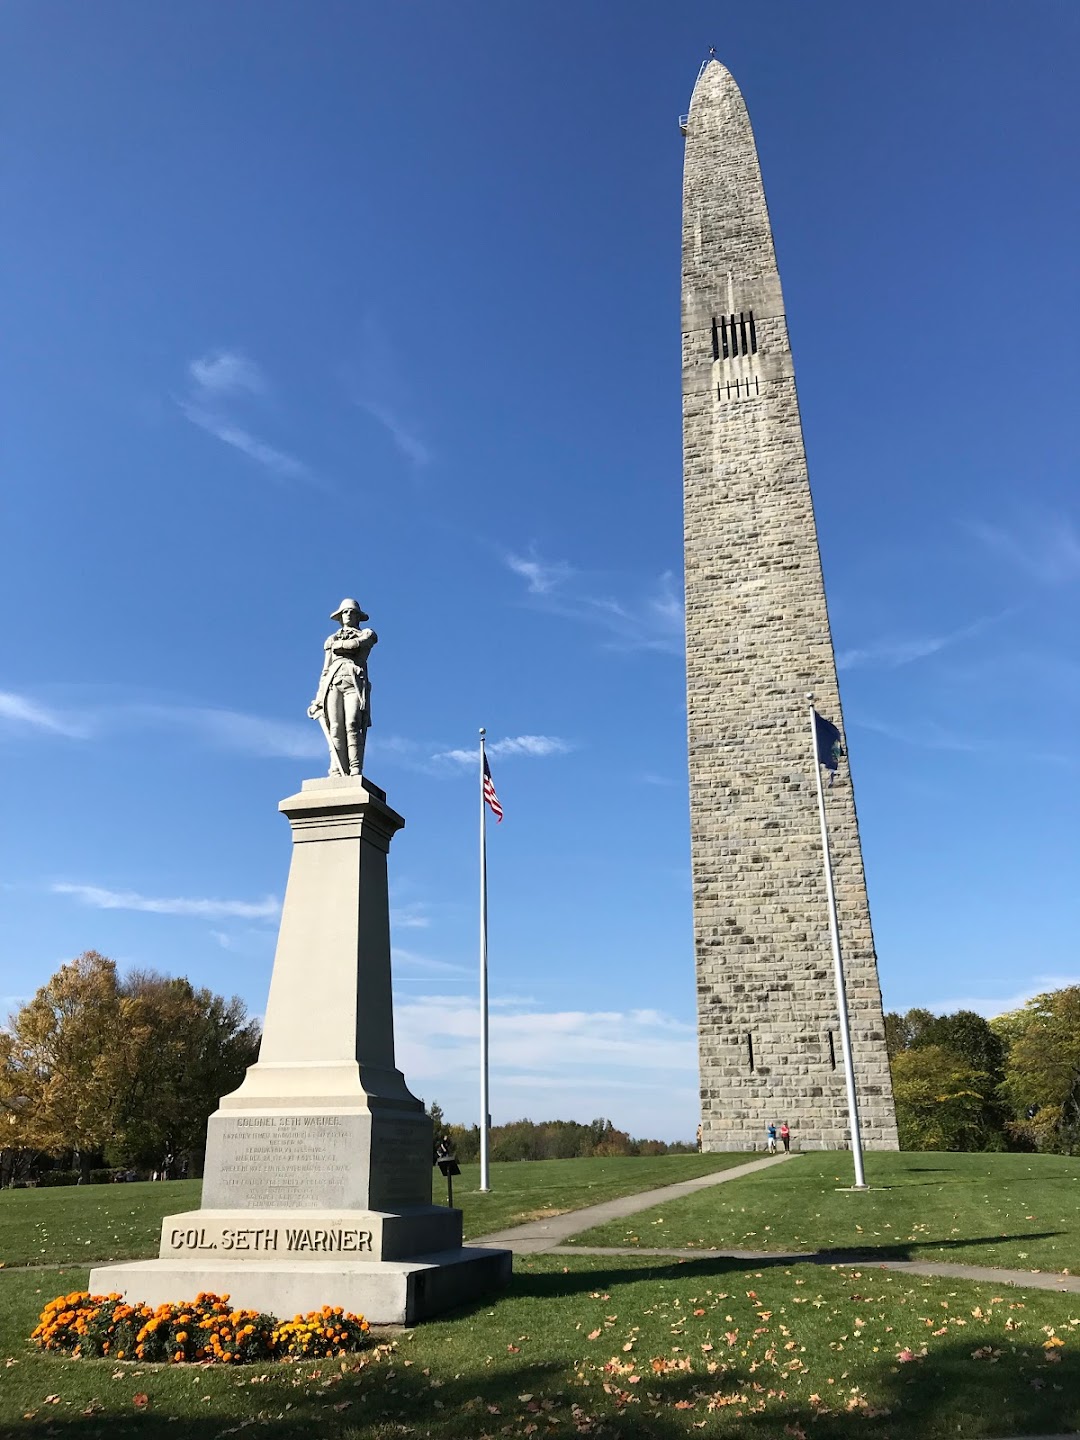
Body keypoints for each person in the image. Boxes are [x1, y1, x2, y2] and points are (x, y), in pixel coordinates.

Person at [309, 599, 377, 777]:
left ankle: (355, 768)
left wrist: (341, 646)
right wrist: (318, 698)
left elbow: (357, 646)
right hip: (332, 683)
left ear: (358, 616)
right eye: (344, 612)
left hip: (354, 683)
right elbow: (325, 670)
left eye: (351, 612)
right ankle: (337, 768)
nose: (348, 615)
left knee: (352, 723)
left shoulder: (367, 634)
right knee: (335, 727)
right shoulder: (331, 639)